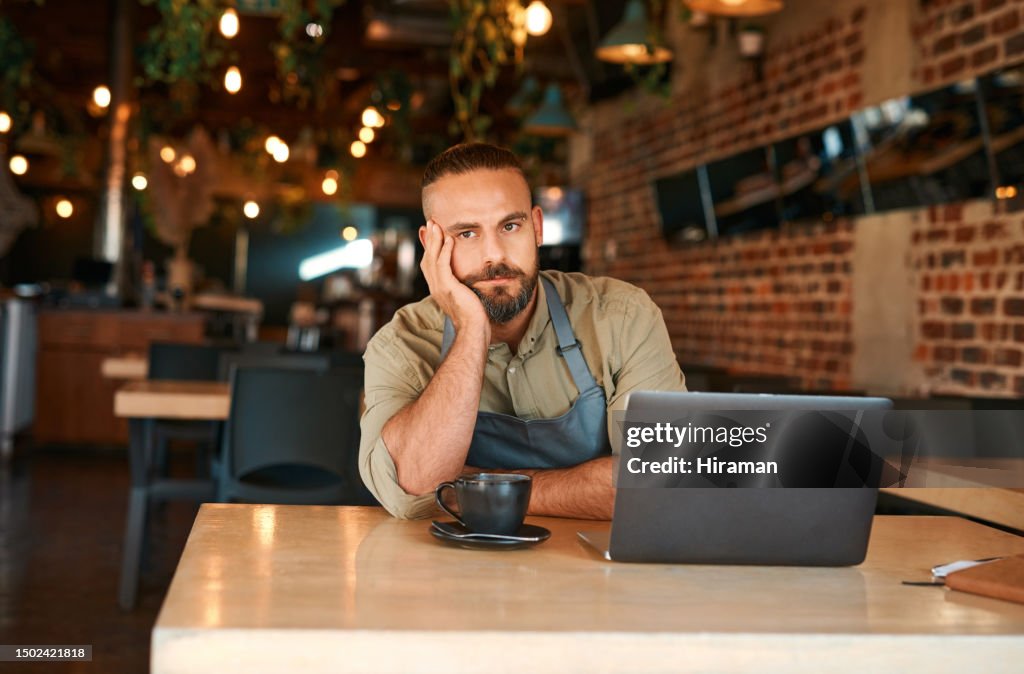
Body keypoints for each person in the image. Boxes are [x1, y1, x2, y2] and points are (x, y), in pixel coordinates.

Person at [359, 143, 686, 520]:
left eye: (510, 226)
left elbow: (658, 481)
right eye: (467, 234)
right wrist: (471, 330)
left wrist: (463, 490)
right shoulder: (401, 345)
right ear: (430, 244)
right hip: (451, 574)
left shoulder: (622, 317)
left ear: (538, 227)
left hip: (591, 570)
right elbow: (410, 489)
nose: (494, 255)